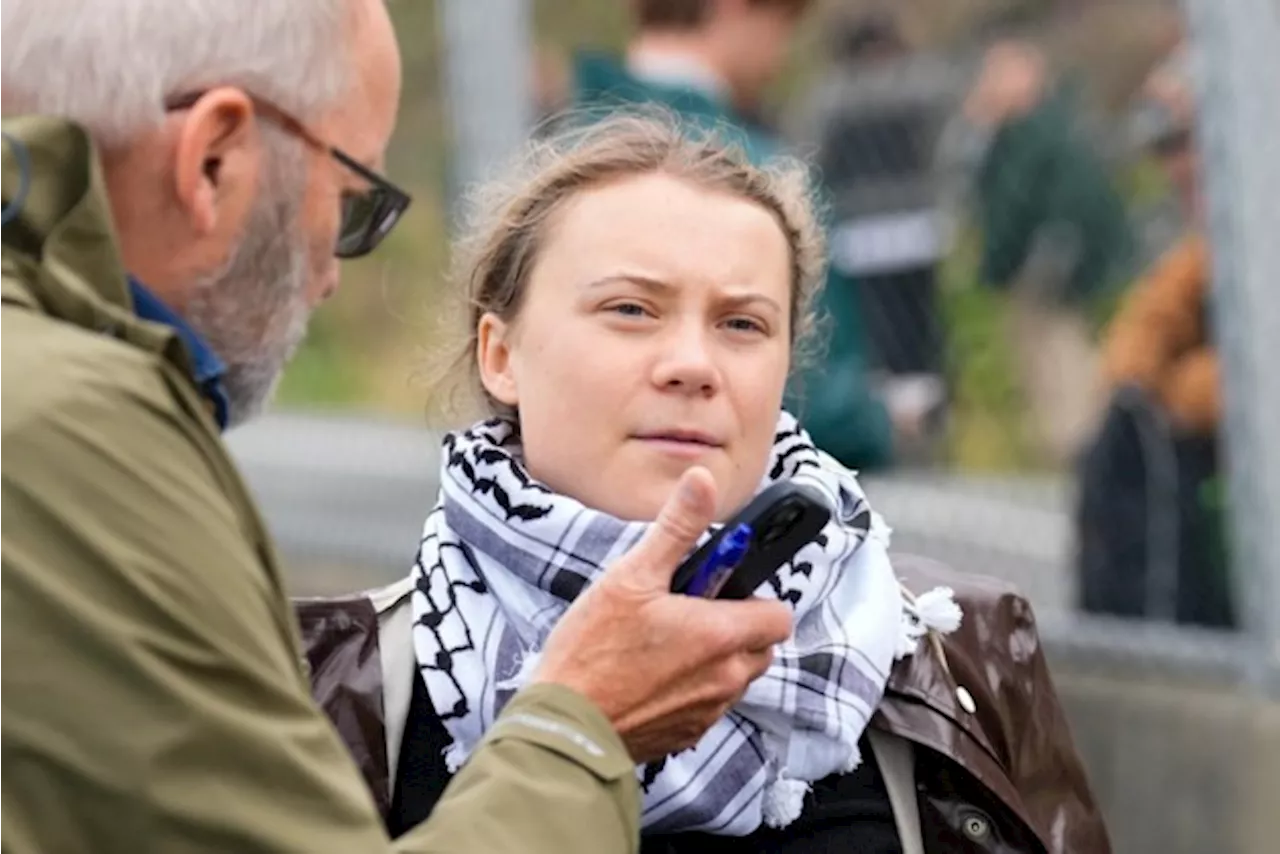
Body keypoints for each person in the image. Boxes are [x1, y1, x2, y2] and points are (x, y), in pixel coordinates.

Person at [0, 1, 796, 852]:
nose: (332, 279)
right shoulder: (70, 429)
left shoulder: (923, 658)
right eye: (349, 202)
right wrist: (582, 723)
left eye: (744, 323)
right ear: (213, 160)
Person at [298, 112, 1111, 854]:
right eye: (630, 310)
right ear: (500, 355)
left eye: (742, 324)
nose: (693, 364)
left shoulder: (959, 652)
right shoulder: (346, 686)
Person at [542, 0, 913, 471]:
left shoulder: (553, 160)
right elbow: (818, 399)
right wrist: (880, 421)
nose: (779, 57)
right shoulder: (763, 179)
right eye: (783, 24)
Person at [1077, 47, 1234, 628]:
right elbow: (1146, 329)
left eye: (1185, 139)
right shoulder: (1209, 245)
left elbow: (1253, 378)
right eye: (1164, 147)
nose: (1177, 165)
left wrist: (1173, 389)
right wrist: (1146, 380)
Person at [954, 35, 1134, 467]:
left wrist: (1044, 256)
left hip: (1049, 270)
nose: (991, 85)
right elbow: (971, 180)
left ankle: (1085, 448)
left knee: (1061, 357)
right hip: (1028, 267)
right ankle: (1074, 449)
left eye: (1003, 73)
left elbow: (1051, 201)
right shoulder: (1011, 133)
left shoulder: (1042, 131)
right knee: (1041, 361)